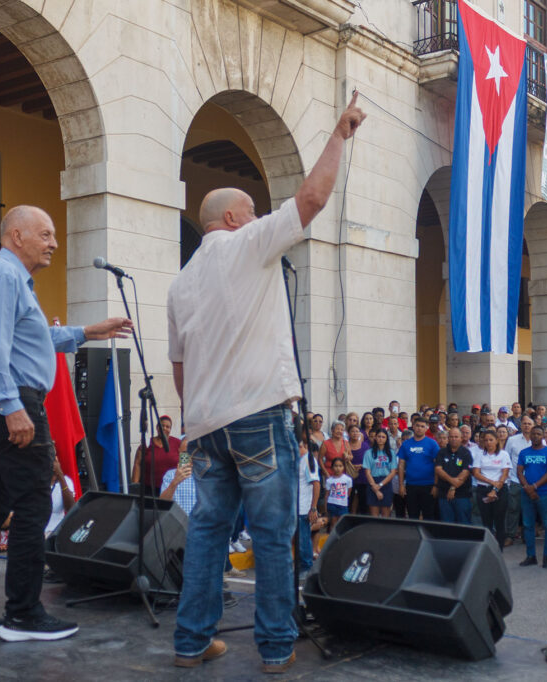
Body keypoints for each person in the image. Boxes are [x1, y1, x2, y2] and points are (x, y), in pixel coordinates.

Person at [167, 94, 365, 673]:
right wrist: (339, 133)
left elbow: (179, 366)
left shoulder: (180, 283)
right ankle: (277, 647)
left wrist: (198, 416)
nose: (258, 219)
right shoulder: (248, 244)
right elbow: (312, 199)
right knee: (274, 534)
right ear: (232, 219)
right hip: (258, 413)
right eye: (251, 211)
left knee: (207, 532)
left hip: (205, 424)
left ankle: (190, 641)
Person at [0, 205, 133, 642]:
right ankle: (23, 614)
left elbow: (33, 340)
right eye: (45, 234)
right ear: (17, 236)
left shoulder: (8, 278)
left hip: (1, 402)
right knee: (33, 506)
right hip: (13, 401)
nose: (54, 244)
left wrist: (88, 332)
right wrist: (12, 407)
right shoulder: (4, 276)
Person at [517, 425, 547, 568]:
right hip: (526, 494)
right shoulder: (524, 453)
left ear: (543, 436)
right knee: (528, 525)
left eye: (538, 434)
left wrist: (534, 487)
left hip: (545, 493)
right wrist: (528, 488)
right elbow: (519, 472)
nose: (535, 436)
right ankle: (531, 556)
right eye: (533, 434)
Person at [472, 429, 511, 548]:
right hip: (483, 489)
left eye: (491, 440)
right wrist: (491, 482)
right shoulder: (480, 455)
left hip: (500, 489)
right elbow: (476, 473)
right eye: (486, 440)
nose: (488, 442)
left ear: (497, 441)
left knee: (499, 520)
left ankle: (499, 548)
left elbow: (504, 474)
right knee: (486, 521)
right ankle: (487, 548)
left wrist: (495, 489)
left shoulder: (503, 454)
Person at [397, 416, 440, 520]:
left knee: (429, 516)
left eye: (422, 426)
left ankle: (428, 531)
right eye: (417, 426)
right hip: (411, 485)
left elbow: (438, 465)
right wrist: (401, 485)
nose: (419, 428)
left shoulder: (432, 444)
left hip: (428, 485)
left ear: (426, 428)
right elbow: (401, 465)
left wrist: (436, 485)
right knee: (412, 515)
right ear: (413, 426)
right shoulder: (406, 444)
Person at [131, 415, 181, 496]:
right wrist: (135, 487)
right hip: (149, 490)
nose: (164, 428)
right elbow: (137, 464)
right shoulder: (147, 444)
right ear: (157, 427)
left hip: (172, 489)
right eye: (162, 426)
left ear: (170, 429)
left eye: (167, 427)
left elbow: (185, 463)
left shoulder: (178, 443)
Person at [435, 428, 472, 524]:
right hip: (444, 494)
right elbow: (438, 469)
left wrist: (452, 488)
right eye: (451, 437)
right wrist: (452, 481)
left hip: (462, 495)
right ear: (448, 438)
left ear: (461, 438)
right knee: (447, 524)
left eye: (456, 437)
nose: (453, 439)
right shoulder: (441, 452)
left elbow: (465, 472)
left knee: (463, 523)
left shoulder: (466, 453)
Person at [297, 440, 320, 577]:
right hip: (294, 507)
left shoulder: (308, 460)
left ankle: (306, 567)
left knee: (303, 538)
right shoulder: (298, 459)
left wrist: (313, 508)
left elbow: (316, 483)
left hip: (303, 507)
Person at [363, 429, 397, 517]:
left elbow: (393, 472)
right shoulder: (368, 453)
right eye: (379, 436)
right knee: (374, 515)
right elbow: (367, 472)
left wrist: (380, 485)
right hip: (373, 482)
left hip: (386, 482)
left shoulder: (391, 453)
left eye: (383, 437)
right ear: (375, 438)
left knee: (386, 515)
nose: (381, 439)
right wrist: (375, 488)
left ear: (386, 439)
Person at [45, 456, 75, 535]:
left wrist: (60, 475)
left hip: (55, 532)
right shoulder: (35, 480)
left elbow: (70, 508)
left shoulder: (66, 481)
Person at [324, 458, 352, 532]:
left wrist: (343, 499)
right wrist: (325, 508)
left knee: (342, 524)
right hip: (332, 504)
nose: (338, 468)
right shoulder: (329, 480)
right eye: (336, 466)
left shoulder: (348, 479)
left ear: (343, 467)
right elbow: (327, 495)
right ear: (332, 467)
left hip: (343, 505)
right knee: (333, 524)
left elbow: (348, 492)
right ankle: (332, 538)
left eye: (340, 466)